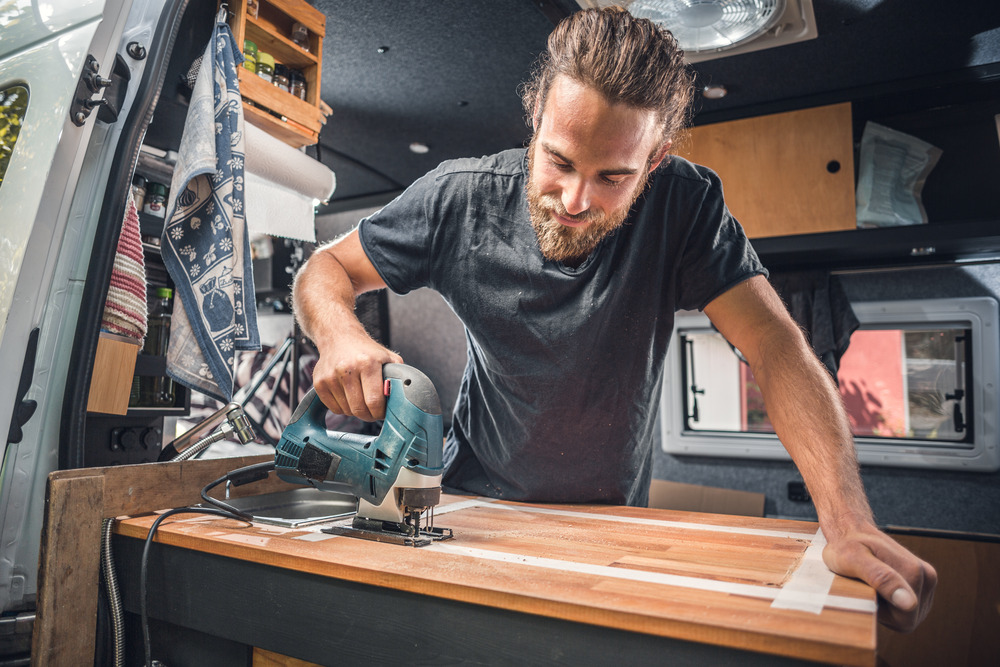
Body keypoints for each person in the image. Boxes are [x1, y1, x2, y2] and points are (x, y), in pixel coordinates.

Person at [293, 7, 936, 632]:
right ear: (536, 118)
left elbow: (774, 344)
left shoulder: (685, 205)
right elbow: (324, 269)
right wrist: (342, 334)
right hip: (471, 503)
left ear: (652, 165)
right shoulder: (458, 199)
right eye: (560, 162)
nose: (575, 200)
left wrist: (847, 521)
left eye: (612, 177)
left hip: (611, 520)